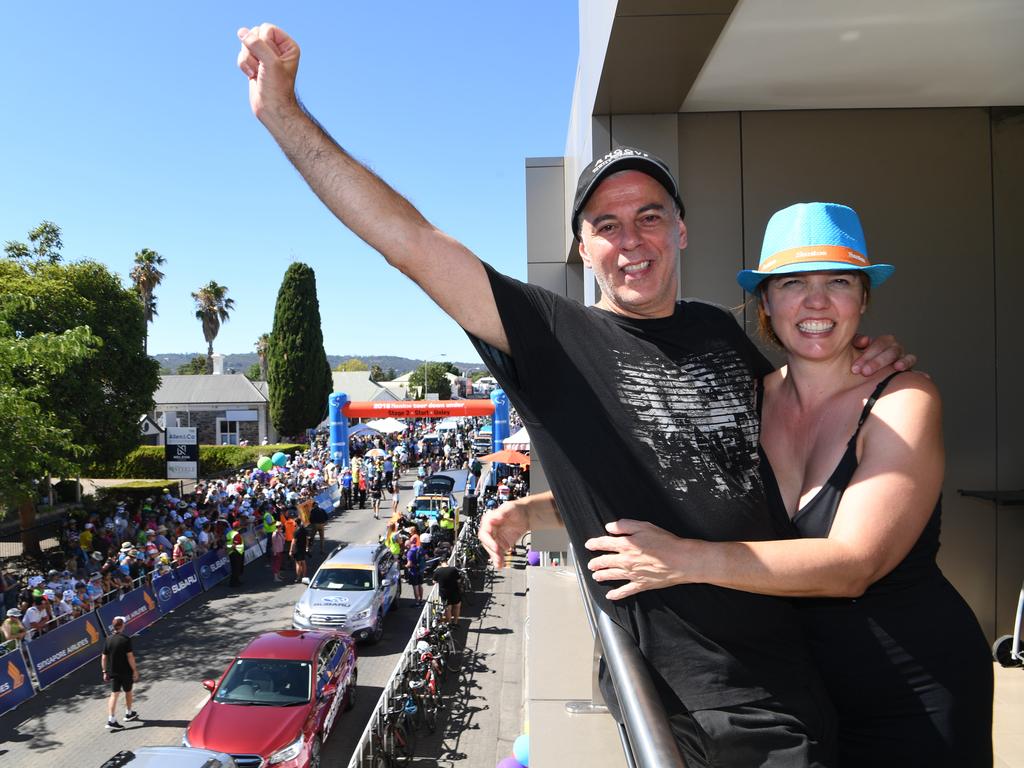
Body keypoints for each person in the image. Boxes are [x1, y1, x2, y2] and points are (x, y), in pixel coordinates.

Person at [236, 25, 911, 766]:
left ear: (681, 230)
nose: (632, 241)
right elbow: (410, 240)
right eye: (607, 226)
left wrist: (859, 356)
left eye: (650, 216)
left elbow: (709, 473)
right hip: (701, 698)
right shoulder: (551, 337)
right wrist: (284, 113)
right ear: (583, 248)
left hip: (804, 655)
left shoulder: (725, 334)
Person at [581, 203, 993, 766]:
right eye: (793, 282)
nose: (816, 302)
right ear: (767, 303)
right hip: (799, 695)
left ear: (863, 299)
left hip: (915, 693)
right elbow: (674, 485)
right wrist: (537, 509)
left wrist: (684, 560)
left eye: (839, 282)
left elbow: (853, 566)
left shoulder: (904, 399)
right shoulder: (748, 398)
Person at [101, 615, 139, 729]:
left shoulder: (108, 639)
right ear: (122, 626)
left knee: (114, 694)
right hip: (126, 672)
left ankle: (111, 719)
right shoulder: (126, 639)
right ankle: (128, 713)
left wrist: (104, 671)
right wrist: (135, 670)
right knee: (128, 691)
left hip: (113, 672)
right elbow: (130, 657)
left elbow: (103, 657)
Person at [227, 521, 245, 588]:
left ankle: (236, 581)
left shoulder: (229, 533)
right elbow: (235, 544)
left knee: (234, 568)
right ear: (238, 527)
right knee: (236, 568)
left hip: (231, 552)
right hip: (236, 553)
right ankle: (233, 582)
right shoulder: (236, 534)